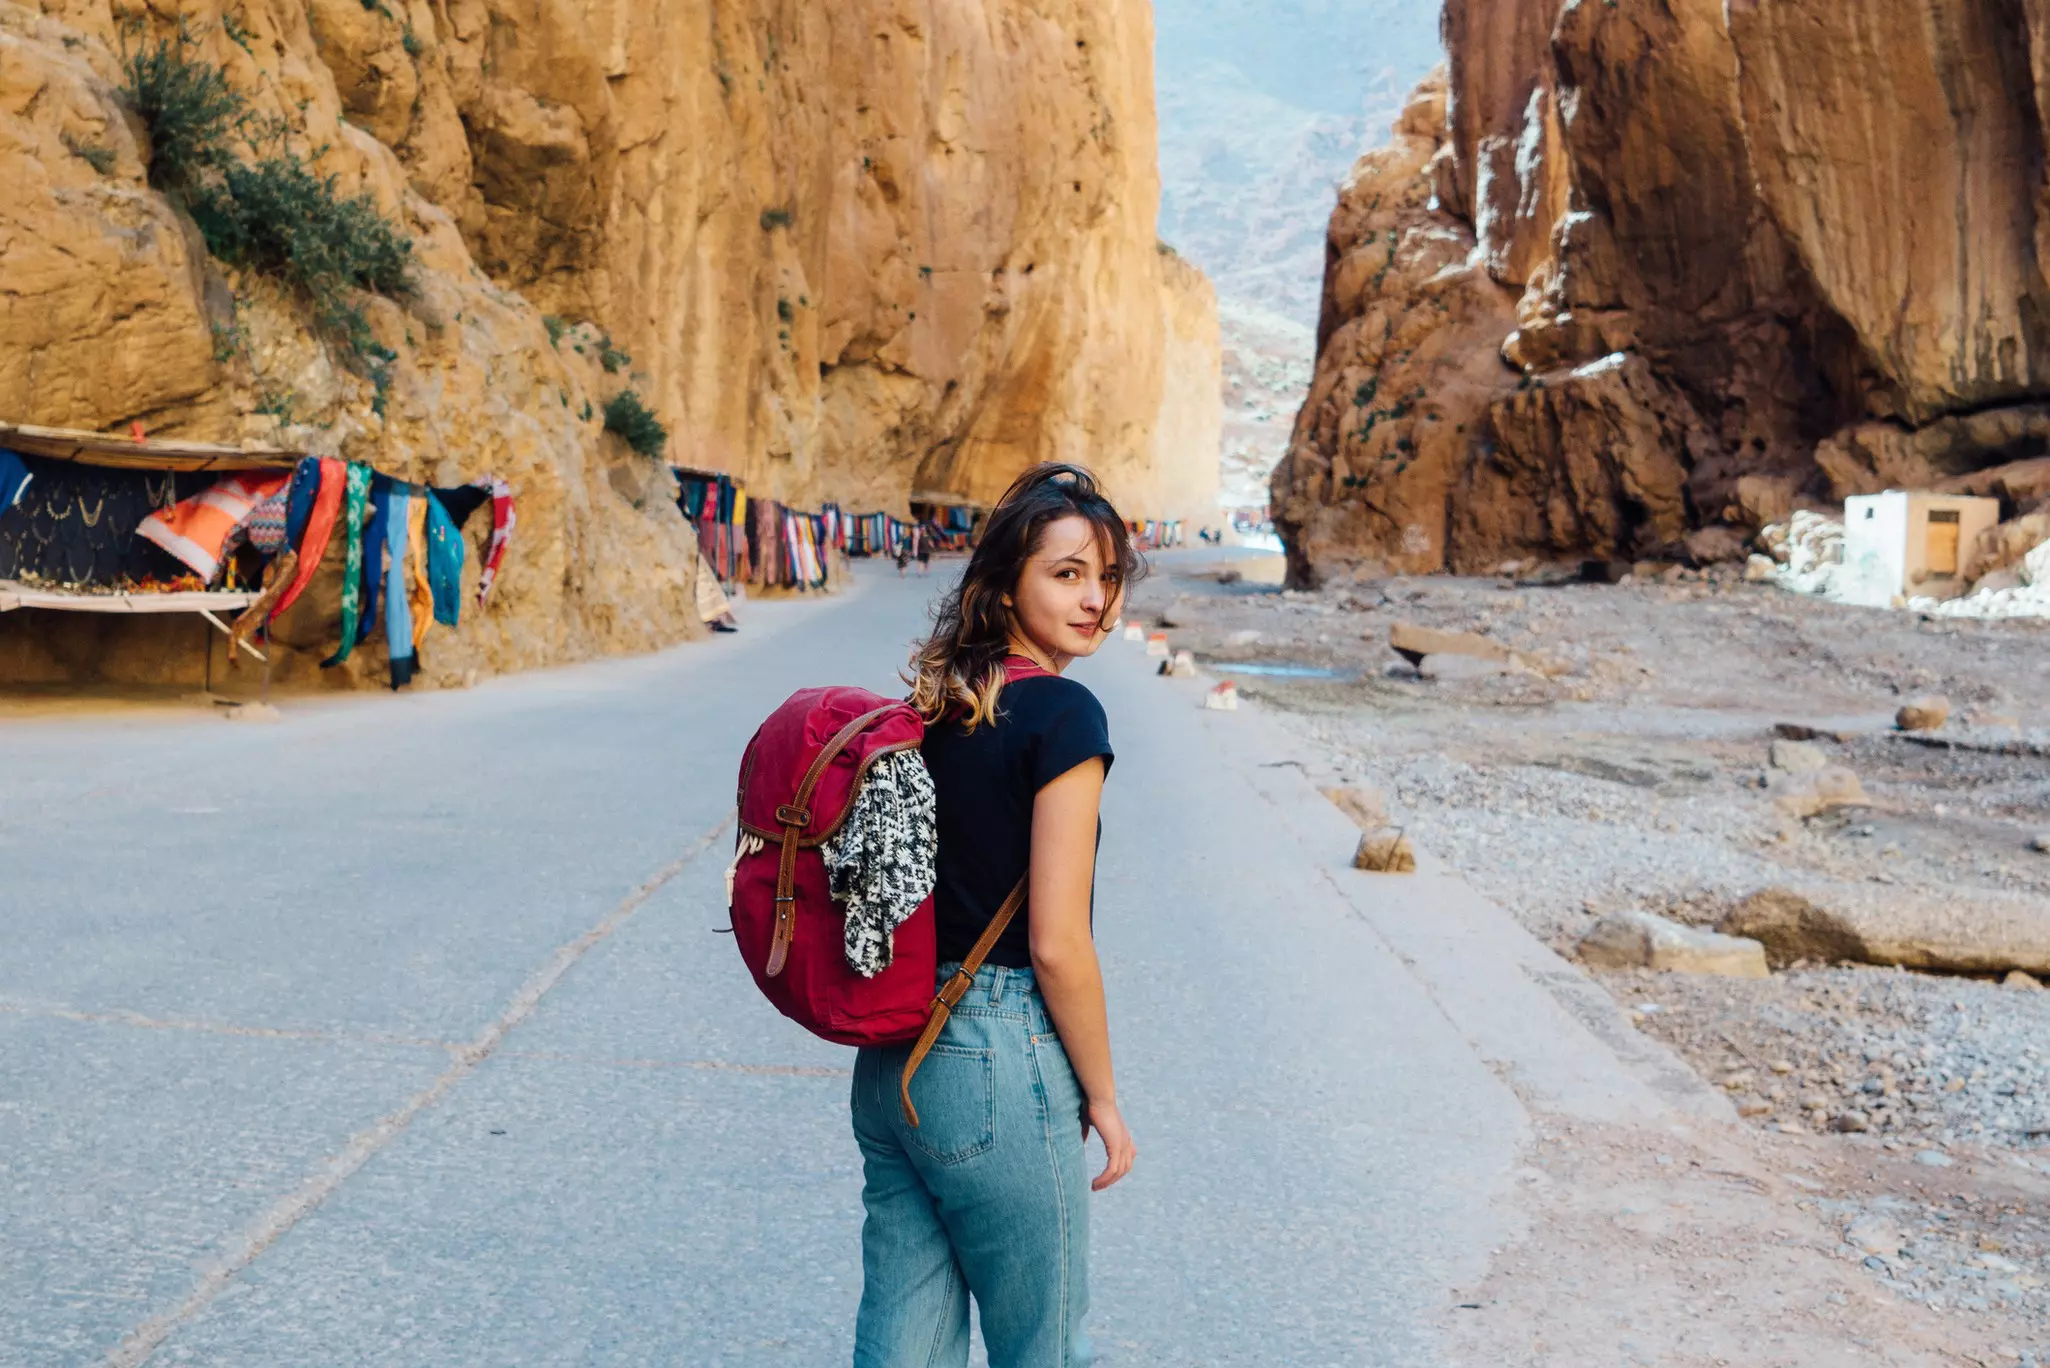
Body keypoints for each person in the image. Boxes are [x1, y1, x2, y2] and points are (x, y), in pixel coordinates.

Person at [851, 462, 1142, 1367]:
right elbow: (1057, 945)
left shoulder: (934, 707)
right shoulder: (1063, 715)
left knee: (901, 1351)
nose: (1094, 598)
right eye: (1067, 574)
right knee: (1044, 1351)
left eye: (1106, 575)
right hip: (993, 1064)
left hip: (896, 1057)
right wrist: (1102, 1094)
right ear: (1007, 584)